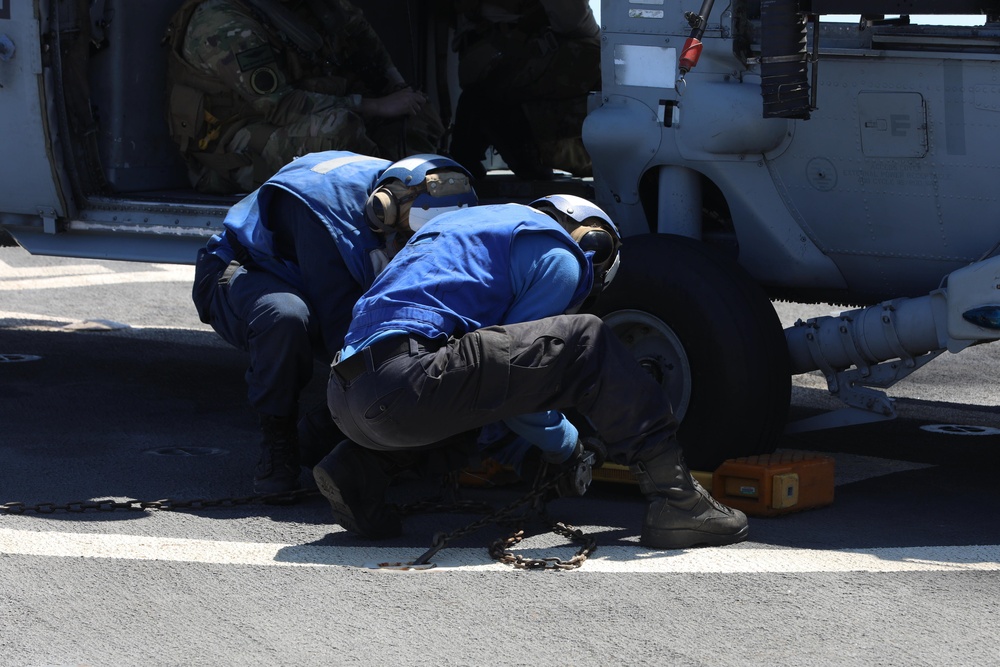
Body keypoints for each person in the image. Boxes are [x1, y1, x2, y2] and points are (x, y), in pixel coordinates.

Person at [317, 194, 749, 550]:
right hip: (408, 385)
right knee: (587, 339)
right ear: (595, 244)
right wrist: (569, 448)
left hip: (349, 399)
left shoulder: (463, 229)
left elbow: (489, 373)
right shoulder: (561, 254)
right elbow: (523, 391)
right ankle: (678, 501)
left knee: (462, 374)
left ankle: (359, 471)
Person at [192, 150, 477, 496]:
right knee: (286, 318)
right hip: (244, 270)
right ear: (381, 212)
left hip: (302, 266)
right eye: (409, 239)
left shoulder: (405, 195)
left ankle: (325, 432)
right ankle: (279, 440)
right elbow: (343, 336)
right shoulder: (326, 212)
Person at [164, 0, 444, 194]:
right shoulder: (225, 24)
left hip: (299, 114)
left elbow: (358, 33)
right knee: (338, 129)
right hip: (235, 143)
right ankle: (385, 203)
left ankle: (417, 193)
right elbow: (281, 105)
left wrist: (397, 87)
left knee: (415, 116)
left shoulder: (303, 7)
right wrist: (376, 106)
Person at [443, 0, 601, 180]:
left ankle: (511, 135)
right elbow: (573, 21)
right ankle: (522, 136)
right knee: (602, 62)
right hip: (500, 54)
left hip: (487, 55)